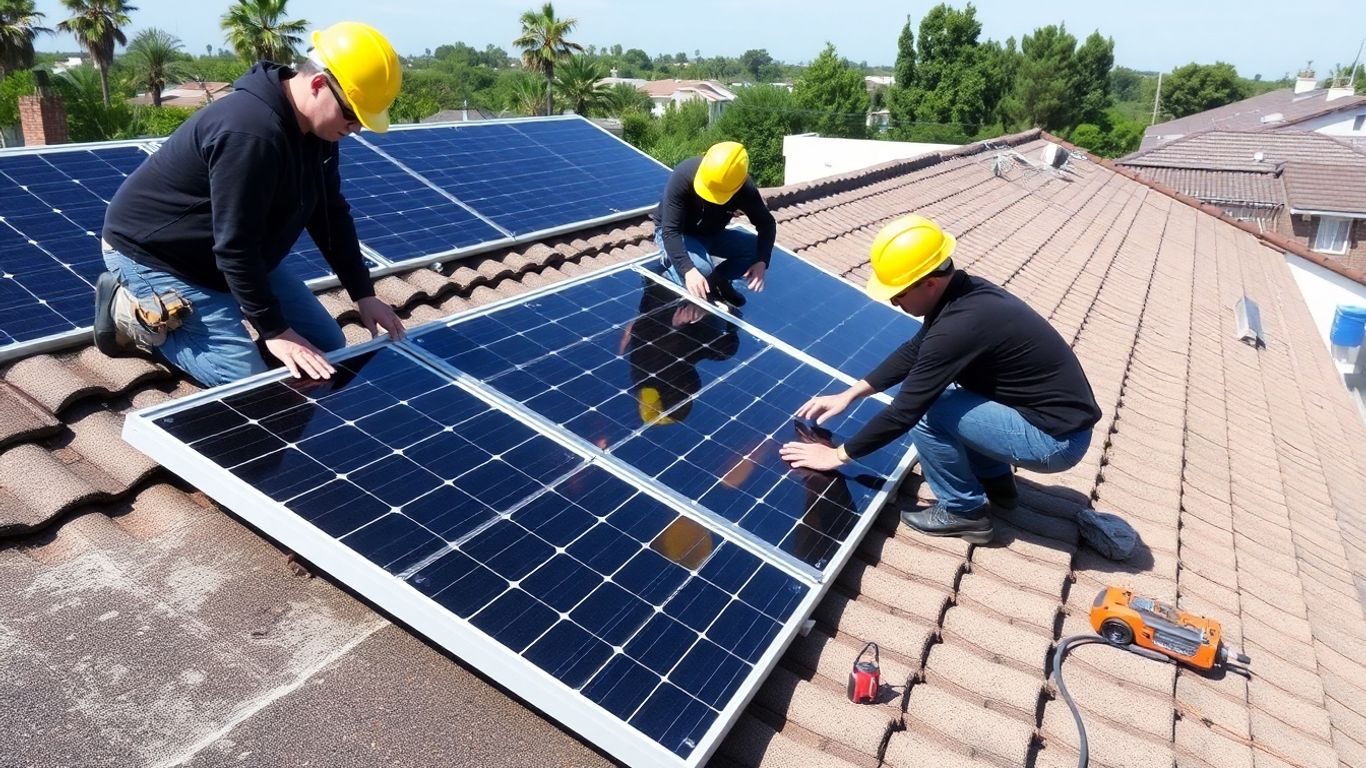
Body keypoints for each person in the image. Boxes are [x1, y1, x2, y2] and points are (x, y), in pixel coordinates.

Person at [93, 20, 406, 387]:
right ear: (319, 84)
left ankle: (228, 308)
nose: (356, 128)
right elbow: (235, 245)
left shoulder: (319, 133)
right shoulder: (250, 133)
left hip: (233, 252)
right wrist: (275, 330)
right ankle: (127, 313)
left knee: (329, 345)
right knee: (244, 381)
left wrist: (363, 294)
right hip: (160, 256)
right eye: (352, 114)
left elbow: (330, 215)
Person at [779, 214, 1101, 544]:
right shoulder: (962, 294)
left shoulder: (959, 326)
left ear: (929, 283)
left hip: (1054, 440)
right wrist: (851, 393)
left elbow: (904, 412)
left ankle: (964, 513)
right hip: (1052, 422)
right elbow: (915, 350)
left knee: (930, 411)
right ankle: (997, 484)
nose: (893, 302)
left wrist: (836, 456)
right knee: (953, 394)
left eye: (898, 293)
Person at [652, 141, 777, 308]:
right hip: (679, 233)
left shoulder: (743, 188)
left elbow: (767, 224)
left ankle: (717, 281)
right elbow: (670, 231)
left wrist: (762, 261)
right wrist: (688, 270)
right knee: (701, 269)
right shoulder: (683, 175)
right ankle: (664, 279)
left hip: (711, 235)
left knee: (757, 249)